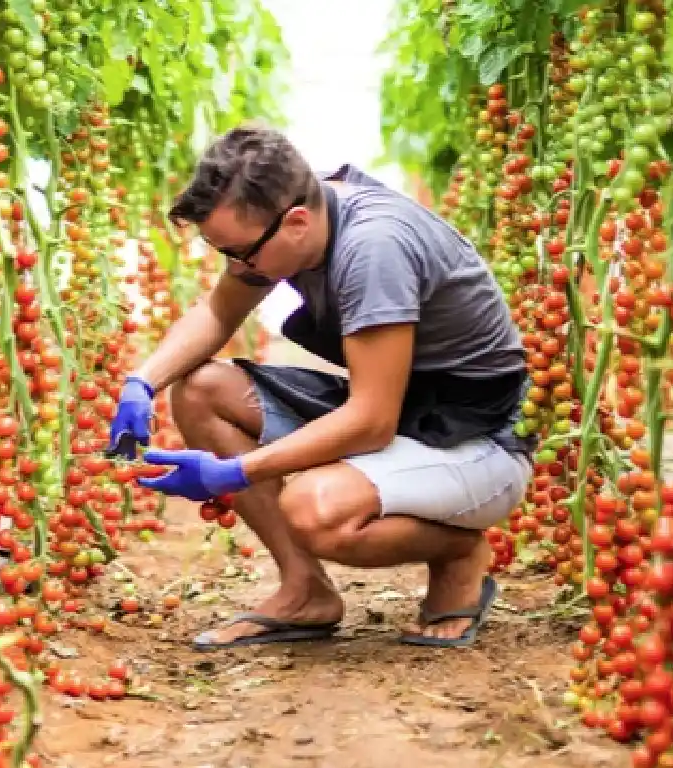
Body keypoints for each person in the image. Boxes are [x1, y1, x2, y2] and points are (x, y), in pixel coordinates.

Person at [108, 125, 535, 651]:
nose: (237, 268)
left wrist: (237, 472)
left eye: (242, 253)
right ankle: (305, 590)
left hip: (478, 441)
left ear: (296, 223)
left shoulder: (374, 248)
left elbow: (371, 422)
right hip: (411, 410)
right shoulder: (298, 215)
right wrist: (142, 382)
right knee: (199, 390)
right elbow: (219, 312)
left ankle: (459, 553)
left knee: (314, 509)